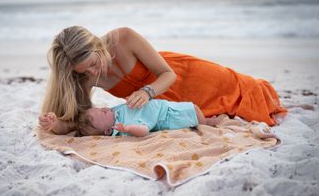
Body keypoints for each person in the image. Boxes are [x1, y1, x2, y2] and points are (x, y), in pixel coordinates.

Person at [40, 26, 287, 134]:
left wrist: (147, 92)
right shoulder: (85, 76)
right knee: (217, 115)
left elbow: (168, 74)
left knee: (246, 92)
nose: (92, 73)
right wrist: (56, 124)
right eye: (85, 71)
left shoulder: (123, 38)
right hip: (167, 105)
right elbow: (79, 120)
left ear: (97, 44)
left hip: (185, 76)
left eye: (93, 64)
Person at [39, 99, 209, 137]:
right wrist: (128, 129)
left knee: (195, 107)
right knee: (194, 109)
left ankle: (207, 121)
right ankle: (207, 124)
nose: (106, 109)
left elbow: (76, 124)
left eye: (102, 109)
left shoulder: (113, 114)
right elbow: (143, 131)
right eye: (103, 113)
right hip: (168, 116)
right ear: (108, 130)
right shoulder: (124, 124)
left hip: (164, 106)